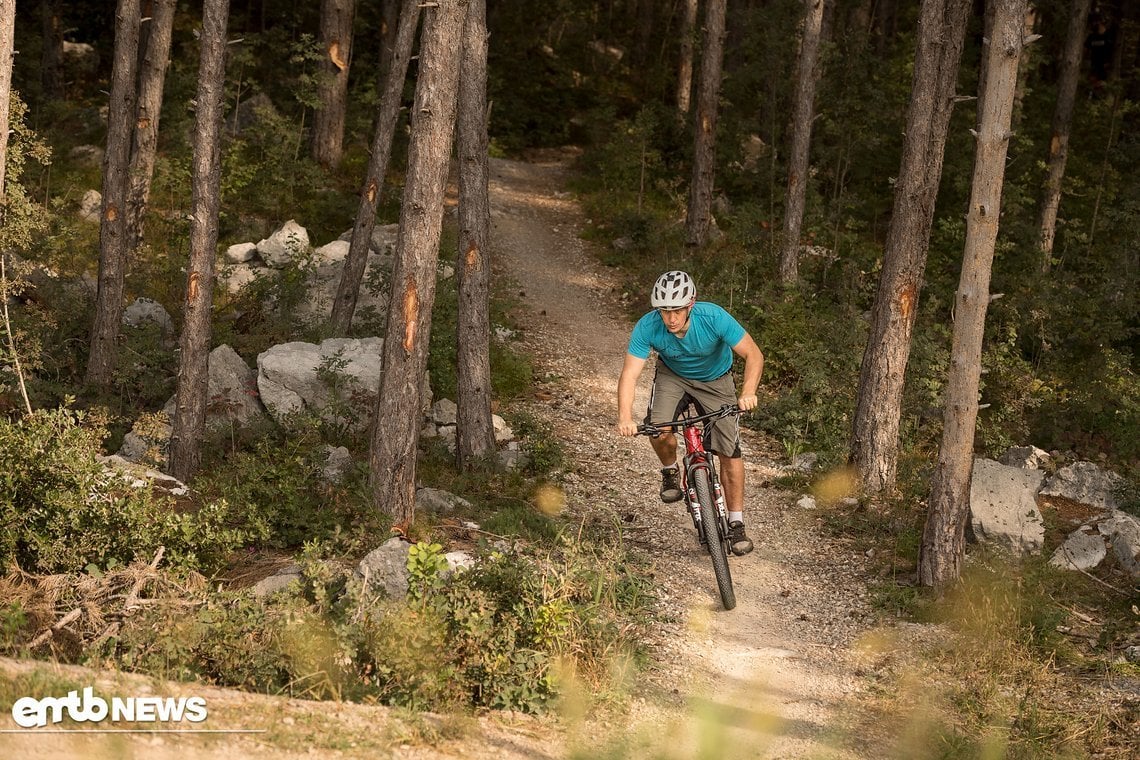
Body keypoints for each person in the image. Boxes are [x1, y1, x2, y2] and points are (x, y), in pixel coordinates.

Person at [616, 270, 764, 555]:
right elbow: (629, 375)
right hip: (673, 376)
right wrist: (624, 416)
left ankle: (736, 524)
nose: (671, 318)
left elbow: (753, 354)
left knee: (728, 451)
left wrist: (748, 392)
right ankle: (670, 470)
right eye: (665, 311)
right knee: (657, 429)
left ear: (691, 303)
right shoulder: (647, 326)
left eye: (678, 310)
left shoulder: (714, 318)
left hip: (716, 379)